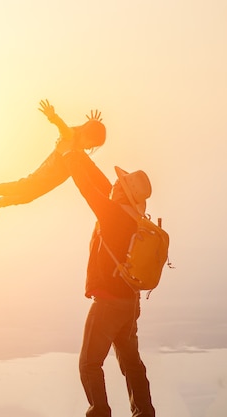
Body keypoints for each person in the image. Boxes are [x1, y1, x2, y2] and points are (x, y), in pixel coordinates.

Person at [56, 136, 156, 416]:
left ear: (123, 192)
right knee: (131, 362)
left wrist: (68, 157)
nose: (114, 186)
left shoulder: (113, 214)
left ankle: (99, 411)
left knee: (89, 363)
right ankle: (144, 412)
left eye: (118, 185)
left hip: (109, 304)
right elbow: (97, 182)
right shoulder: (136, 221)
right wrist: (78, 154)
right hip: (130, 304)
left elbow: (89, 189)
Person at [0, 100, 106, 225]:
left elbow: (88, 135)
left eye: (93, 146)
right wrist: (53, 116)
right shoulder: (71, 137)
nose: (90, 147)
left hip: (48, 184)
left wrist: (93, 122)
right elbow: (63, 127)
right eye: (91, 142)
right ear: (86, 134)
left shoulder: (80, 152)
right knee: (17, 188)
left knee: (26, 197)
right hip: (42, 176)